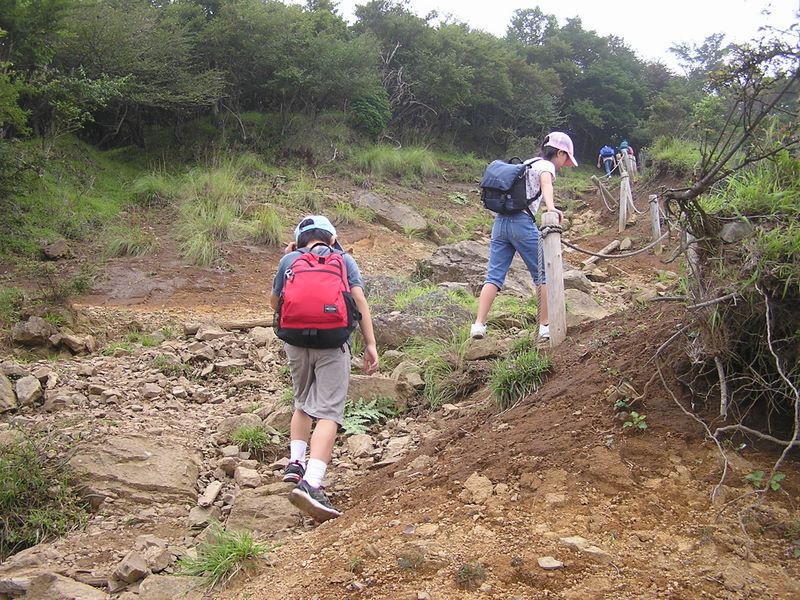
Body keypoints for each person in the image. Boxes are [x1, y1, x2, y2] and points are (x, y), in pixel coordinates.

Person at [271, 215, 379, 522]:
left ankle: (295, 463)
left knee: (302, 401)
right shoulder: (343, 260)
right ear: (332, 239)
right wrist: (370, 344)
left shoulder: (289, 260)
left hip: (295, 342)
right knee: (329, 412)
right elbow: (359, 302)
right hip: (332, 343)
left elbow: (275, 303)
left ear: (298, 241)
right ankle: (312, 483)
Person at [470, 132, 577, 342]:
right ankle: (545, 326)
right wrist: (552, 208)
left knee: (493, 276)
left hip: (500, 222)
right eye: (565, 158)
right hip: (521, 222)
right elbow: (546, 184)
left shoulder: (527, 163)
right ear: (560, 152)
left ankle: (478, 325)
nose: (564, 164)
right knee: (543, 274)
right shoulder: (546, 166)